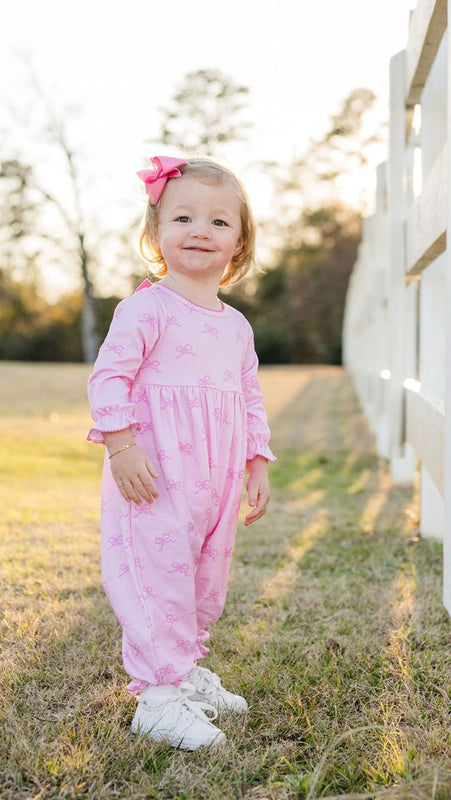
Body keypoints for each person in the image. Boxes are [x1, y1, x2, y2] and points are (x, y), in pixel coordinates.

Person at [87, 156, 275, 750]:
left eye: (219, 222)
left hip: (213, 480)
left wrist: (257, 461)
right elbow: (108, 378)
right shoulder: (147, 308)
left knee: (202, 579)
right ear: (155, 233)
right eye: (184, 216)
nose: (200, 230)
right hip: (155, 472)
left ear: (239, 242)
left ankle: (186, 672)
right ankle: (157, 698)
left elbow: (248, 396)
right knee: (156, 577)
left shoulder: (235, 327)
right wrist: (120, 444)